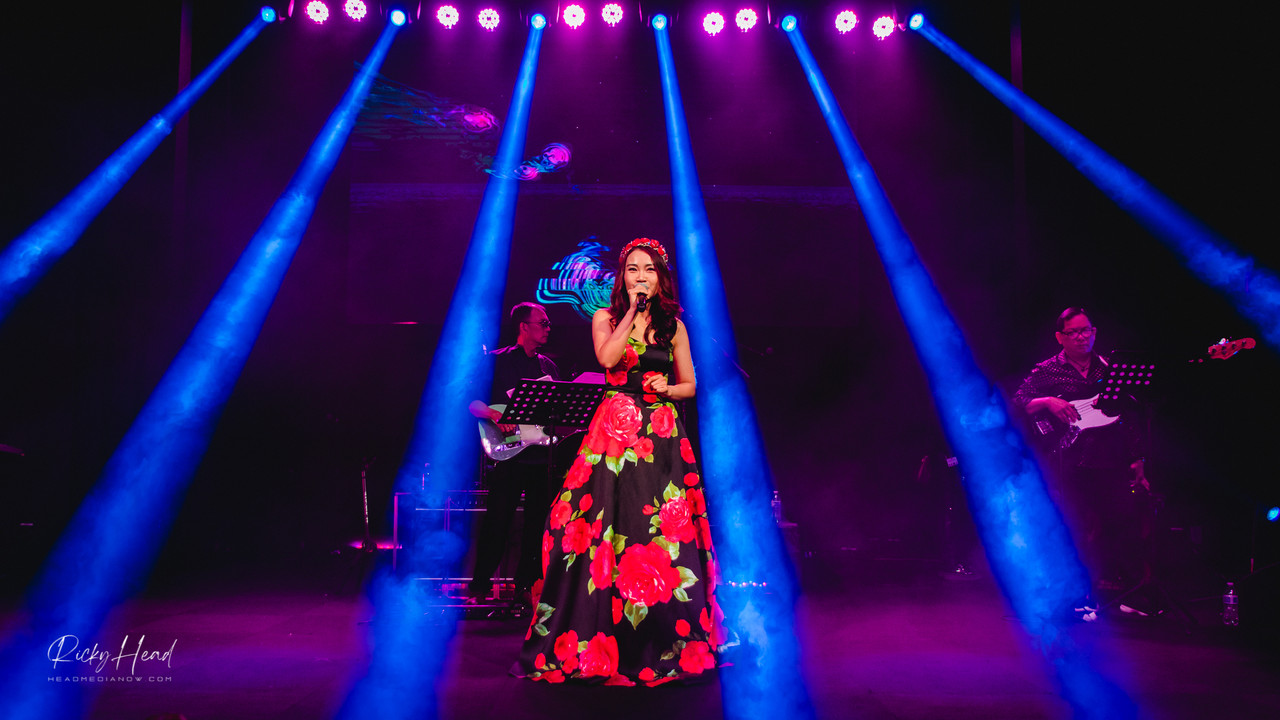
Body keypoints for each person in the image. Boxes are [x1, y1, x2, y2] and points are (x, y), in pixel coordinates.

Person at [515, 238, 726, 685]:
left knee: (657, 530)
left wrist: (668, 390)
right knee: (603, 526)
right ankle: (597, 634)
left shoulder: (675, 328)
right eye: (632, 269)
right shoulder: (606, 318)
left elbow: (691, 384)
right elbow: (607, 357)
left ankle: (661, 635)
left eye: (648, 270)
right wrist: (631, 313)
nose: (640, 276)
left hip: (660, 434)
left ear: (660, 277)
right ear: (623, 276)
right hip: (614, 432)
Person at [1012, 307, 1153, 615]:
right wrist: (1049, 401)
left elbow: (1129, 417)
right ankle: (1074, 596)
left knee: (1124, 525)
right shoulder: (1047, 370)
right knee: (1075, 528)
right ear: (1060, 337)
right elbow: (1019, 400)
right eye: (1073, 332)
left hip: (1111, 458)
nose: (1081, 337)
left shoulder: (1109, 369)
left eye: (1086, 330)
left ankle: (1131, 595)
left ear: (1094, 332)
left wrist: (1137, 458)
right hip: (1070, 458)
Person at [466, 302, 563, 606]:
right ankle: (479, 587)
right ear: (524, 327)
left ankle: (526, 587)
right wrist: (497, 416)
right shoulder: (498, 362)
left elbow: (555, 416)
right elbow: (473, 403)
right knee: (498, 522)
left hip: (540, 457)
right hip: (509, 454)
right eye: (542, 323)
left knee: (537, 526)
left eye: (548, 323)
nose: (548, 328)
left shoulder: (549, 367)